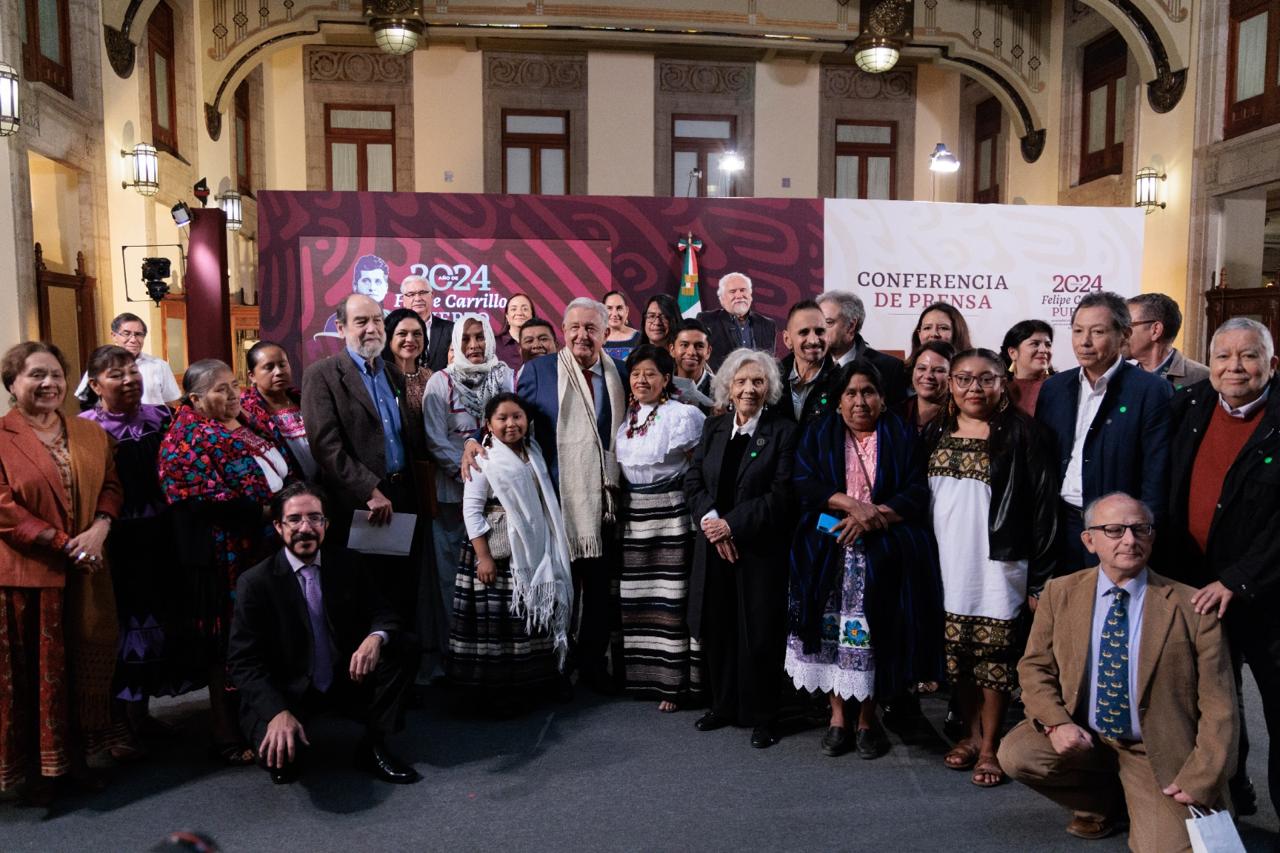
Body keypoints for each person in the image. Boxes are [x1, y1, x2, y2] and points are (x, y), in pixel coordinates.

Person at [999, 492, 1236, 851]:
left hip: (1155, 750)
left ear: (1151, 536)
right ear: (1089, 540)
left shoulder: (1192, 607)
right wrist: (1056, 722)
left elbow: (1220, 706)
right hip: (1087, 737)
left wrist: (1202, 777)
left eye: (1140, 529)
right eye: (1114, 530)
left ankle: (1142, 798)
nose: (1129, 540)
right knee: (1017, 755)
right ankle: (1103, 802)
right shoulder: (1060, 592)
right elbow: (1034, 667)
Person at [463, 298, 625, 693]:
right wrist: (474, 439)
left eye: (591, 328)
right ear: (564, 331)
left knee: (600, 591)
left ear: (605, 333)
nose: (582, 336)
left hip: (604, 503)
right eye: (574, 328)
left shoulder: (619, 373)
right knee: (559, 585)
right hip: (555, 502)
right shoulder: (539, 370)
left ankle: (591, 666)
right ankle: (555, 665)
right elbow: (512, 420)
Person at [786, 359, 943, 760]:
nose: (860, 401)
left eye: (868, 392)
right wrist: (851, 506)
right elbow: (804, 484)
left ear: (883, 397)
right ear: (838, 400)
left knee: (871, 637)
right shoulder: (820, 433)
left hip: (882, 551)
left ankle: (867, 720)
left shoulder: (902, 436)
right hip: (827, 543)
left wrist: (873, 519)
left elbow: (915, 493)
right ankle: (837, 717)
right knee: (832, 638)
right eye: (851, 393)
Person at [923, 348, 1058, 787]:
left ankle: (990, 746)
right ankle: (969, 733)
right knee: (958, 657)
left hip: (1000, 565)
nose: (973, 388)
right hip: (946, 562)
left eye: (985, 379)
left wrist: (1040, 579)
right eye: (963, 379)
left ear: (1004, 382)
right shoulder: (934, 430)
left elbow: (1042, 511)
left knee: (995, 660)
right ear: (951, 384)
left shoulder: (1024, 434)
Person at [227, 482, 420, 785]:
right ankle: (290, 727)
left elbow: (384, 612)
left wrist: (374, 638)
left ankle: (373, 745)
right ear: (278, 526)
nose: (306, 528)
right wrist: (276, 711)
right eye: (295, 519)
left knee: (403, 645)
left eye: (315, 518)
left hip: (345, 677)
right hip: (287, 689)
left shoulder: (348, 562)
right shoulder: (255, 583)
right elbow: (243, 662)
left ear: (326, 524)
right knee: (281, 765)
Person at [1166, 317, 1280, 819]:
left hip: (1268, 595)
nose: (1235, 366)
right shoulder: (1186, 408)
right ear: (1208, 365)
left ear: (1271, 364)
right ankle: (1232, 797)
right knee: (1215, 707)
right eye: (1223, 356)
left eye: (1249, 355)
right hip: (1197, 589)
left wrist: (1239, 579)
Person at [0, 342, 122, 801]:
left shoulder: (89, 434)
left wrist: (100, 529)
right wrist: (61, 542)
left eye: (55, 374)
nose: (49, 383)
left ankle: (73, 763)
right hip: (26, 579)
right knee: (32, 678)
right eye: (35, 375)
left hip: (88, 572)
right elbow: (4, 508)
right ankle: (33, 775)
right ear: (12, 383)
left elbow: (112, 486)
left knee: (79, 669)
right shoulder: (1, 436)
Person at [159, 358, 288, 766]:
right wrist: (268, 513)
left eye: (233, 385)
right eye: (220, 389)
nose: (232, 395)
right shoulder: (184, 437)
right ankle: (225, 730)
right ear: (195, 398)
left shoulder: (246, 418)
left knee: (265, 637)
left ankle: (268, 717)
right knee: (229, 644)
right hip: (225, 554)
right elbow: (201, 499)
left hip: (268, 546)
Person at [685, 349, 797, 748]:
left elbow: (781, 495)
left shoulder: (783, 431)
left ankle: (765, 716)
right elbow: (694, 481)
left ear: (769, 389)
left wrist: (732, 525)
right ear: (727, 388)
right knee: (718, 626)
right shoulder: (713, 429)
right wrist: (713, 523)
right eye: (741, 382)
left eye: (758, 382)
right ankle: (723, 705)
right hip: (714, 547)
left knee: (760, 632)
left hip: (759, 551)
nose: (749, 389)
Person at [80, 346, 190, 744]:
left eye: (131, 371)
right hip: (116, 542)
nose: (128, 380)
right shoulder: (86, 429)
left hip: (162, 535)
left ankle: (140, 715)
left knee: (158, 620)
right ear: (94, 385)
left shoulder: (161, 416)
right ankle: (116, 725)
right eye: (115, 374)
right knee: (123, 627)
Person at [302, 293, 420, 617]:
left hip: (402, 497)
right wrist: (370, 491)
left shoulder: (393, 374)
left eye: (378, 320)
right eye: (361, 321)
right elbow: (326, 446)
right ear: (341, 329)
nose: (372, 328)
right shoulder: (322, 375)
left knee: (401, 590)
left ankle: (398, 662)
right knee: (363, 596)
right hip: (359, 505)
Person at [1036, 292, 1171, 573]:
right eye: (1077, 331)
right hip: (1060, 523)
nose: (1084, 341)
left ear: (1124, 335)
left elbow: (1155, 472)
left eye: (1097, 332)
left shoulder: (1149, 390)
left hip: (1116, 530)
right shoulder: (1054, 388)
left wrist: (1142, 534)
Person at [450, 393, 572, 705]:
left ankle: (534, 687)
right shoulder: (484, 458)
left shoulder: (533, 451)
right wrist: (484, 558)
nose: (511, 424)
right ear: (488, 424)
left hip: (532, 545)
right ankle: (499, 695)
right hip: (497, 552)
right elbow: (471, 511)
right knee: (501, 626)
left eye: (517, 416)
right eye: (502, 418)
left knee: (526, 621)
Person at [615, 344, 707, 711]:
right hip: (635, 517)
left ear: (666, 379)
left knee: (672, 600)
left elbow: (698, 470)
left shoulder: (682, 415)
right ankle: (643, 679)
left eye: (650, 374)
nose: (641, 380)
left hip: (671, 516)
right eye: (636, 374)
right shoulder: (628, 419)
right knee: (637, 598)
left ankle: (675, 684)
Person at [423, 314, 514, 659]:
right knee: (454, 579)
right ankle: (456, 657)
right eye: (466, 339)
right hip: (452, 496)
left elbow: (511, 425)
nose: (474, 346)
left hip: (497, 501)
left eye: (480, 337)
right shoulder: (440, 382)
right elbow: (435, 439)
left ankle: (498, 655)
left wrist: (490, 479)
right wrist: (472, 473)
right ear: (454, 345)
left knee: (498, 577)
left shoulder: (504, 375)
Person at [239, 341, 318, 482]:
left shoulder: (305, 401)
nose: (279, 372)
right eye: (269, 367)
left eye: (282, 365)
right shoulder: (245, 414)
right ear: (252, 376)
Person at [817, 290, 908, 406]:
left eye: (828, 322)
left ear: (851, 326)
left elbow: (896, 419)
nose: (819, 330)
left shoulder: (890, 368)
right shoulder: (807, 364)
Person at [74, 313, 182, 408]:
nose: (133, 340)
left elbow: (172, 402)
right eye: (126, 334)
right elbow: (85, 399)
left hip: (153, 426)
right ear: (114, 336)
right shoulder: (100, 365)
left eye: (138, 334)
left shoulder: (159, 365)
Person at [1126, 293, 1210, 390]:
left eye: (1126, 326)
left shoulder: (1203, 379)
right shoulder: (1119, 378)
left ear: (1155, 330)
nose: (1119, 334)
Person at [698, 272, 778, 371]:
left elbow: (769, 363)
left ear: (750, 295)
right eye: (733, 291)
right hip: (720, 384)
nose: (739, 295)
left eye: (743, 290)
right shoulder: (707, 321)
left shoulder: (767, 324)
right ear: (722, 299)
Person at [778, 299, 839, 424]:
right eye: (804, 332)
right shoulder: (769, 378)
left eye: (819, 331)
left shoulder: (843, 381)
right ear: (787, 339)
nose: (813, 340)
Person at [399, 273, 455, 371]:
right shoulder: (393, 331)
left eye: (423, 292)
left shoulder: (451, 329)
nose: (418, 298)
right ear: (403, 299)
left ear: (432, 295)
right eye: (411, 294)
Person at [1001, 319, 1054, 416]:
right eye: (1035, 344)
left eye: (1048, 345)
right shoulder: (999, 389)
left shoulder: (1062, 387)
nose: (1044, 350)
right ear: (1013, 353)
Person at [900, 341, 954, 432]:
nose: (928, 376)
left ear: (952, 376)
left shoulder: (962, 419)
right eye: (921, 368)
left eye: (939, 370)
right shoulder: (894, 416)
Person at [669, 318, 715, 412]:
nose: (691, 352)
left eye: (699, 346)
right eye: (684, 345)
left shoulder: (723, 392)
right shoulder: (660, 386)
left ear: (708, 352)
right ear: (672, 349)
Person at [495, 292, 535, 367]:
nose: (519, 313)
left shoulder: (539, 344)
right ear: (507, 316)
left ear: (532, 315)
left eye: (525, 309)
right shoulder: (494, 344)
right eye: (514, 309)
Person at [603, 290, 643, 362]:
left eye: (619, 308)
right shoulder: (596, 339)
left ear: (627, 311)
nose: (614, 314)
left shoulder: (640, 338)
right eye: (609, 308)